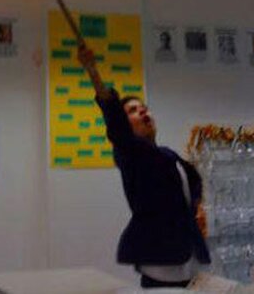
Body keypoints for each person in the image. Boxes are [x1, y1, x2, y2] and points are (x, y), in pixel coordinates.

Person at [78, 45, 210, 288]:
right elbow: (114, 120)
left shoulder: (168, 156)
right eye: (133, 111)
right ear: (124, 124)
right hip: (161, 265)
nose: (142, 111)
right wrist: (93, 71)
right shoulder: (131, 155)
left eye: (144, 108)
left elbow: (192, 186)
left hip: (190, 262)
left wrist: (196, 207)